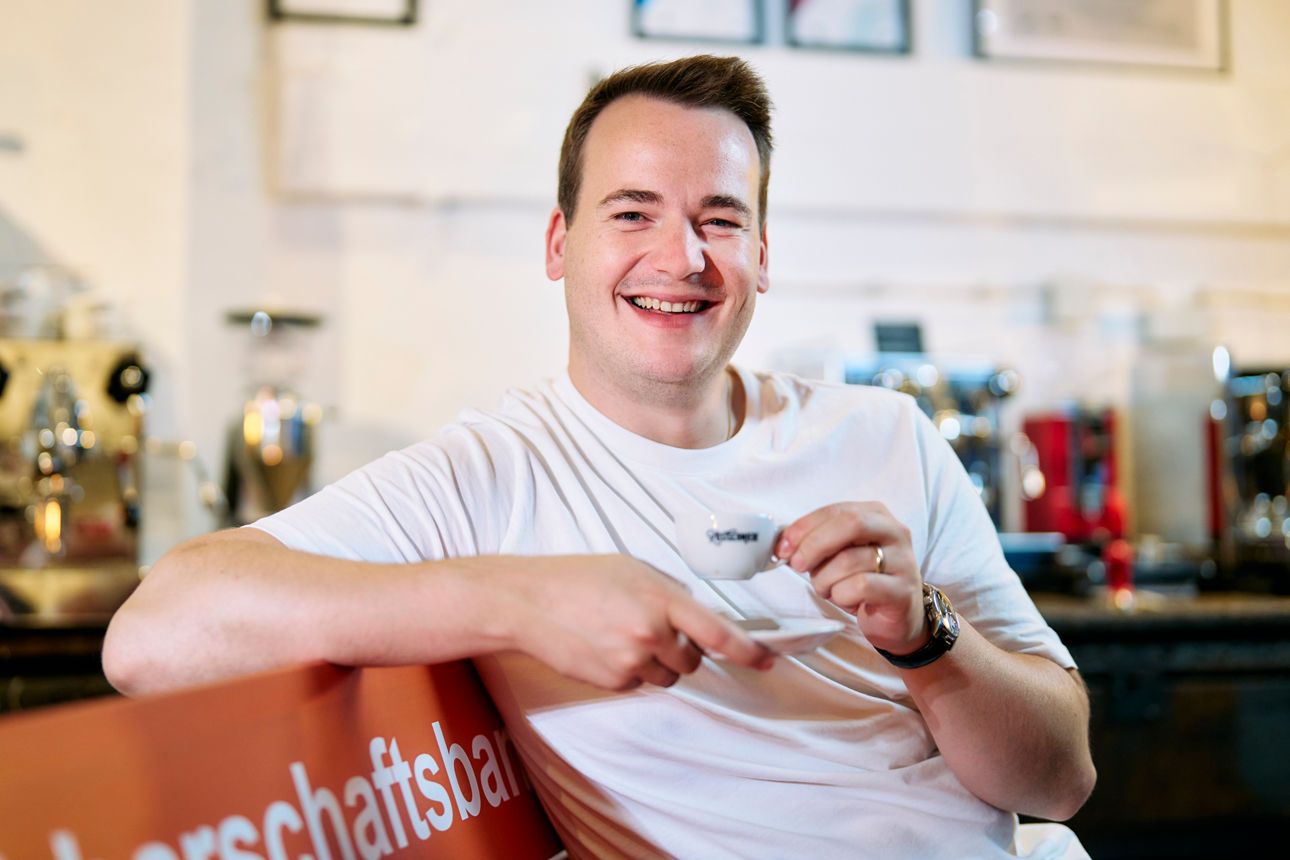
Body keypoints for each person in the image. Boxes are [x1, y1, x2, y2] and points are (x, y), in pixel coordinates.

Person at [104, 55, 1095, 858]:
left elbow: (1060, 778)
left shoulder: (888, 436)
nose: (683, 258)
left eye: (720, 217)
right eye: (632, 212)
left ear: (763, 252)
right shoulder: (490, 473)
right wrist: (517, 599)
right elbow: (152, 636)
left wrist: (929, 636)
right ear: (557, 243)